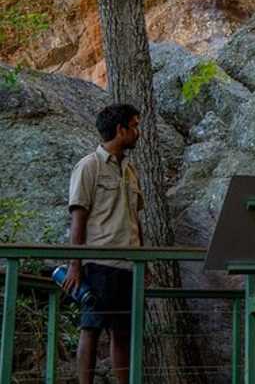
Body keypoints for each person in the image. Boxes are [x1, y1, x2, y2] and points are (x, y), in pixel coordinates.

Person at [64, 104, 144, 384]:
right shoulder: (90, 166)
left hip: (128, 263)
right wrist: (76, 265)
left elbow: (136, 218)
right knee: (92, 327)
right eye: (133, 126)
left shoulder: (130, 169)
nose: (137, 132)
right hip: (100, 263)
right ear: (120, 130)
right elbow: (79, 218)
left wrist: (143, 258)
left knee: (123, 332)